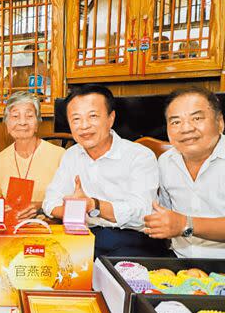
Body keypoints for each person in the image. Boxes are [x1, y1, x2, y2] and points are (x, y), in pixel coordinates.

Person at [42, 84, 168, 258]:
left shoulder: (139, 156)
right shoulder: (71, 155)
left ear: (111, 118)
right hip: (85, 236)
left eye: (92, 116)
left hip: (133, 239)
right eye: (76, 119)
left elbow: (143, 211)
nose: (84, 126)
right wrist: (72, 210)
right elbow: (50, 201)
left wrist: (94, 205)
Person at [144, 86, 225, 258]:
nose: (186, 128)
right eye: (175, 122)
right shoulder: (166, 162)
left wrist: (185, 224)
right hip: (180, 266)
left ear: (220, 123)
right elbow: (165, 215)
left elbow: (179, 223)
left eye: (196, 118)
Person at [0, 92, 65, 220]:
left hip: (50, 231)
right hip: (12, 230)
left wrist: (41, 206)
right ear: (6, 124)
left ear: (38, 121)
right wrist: (0, 211)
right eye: (15, 116)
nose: (22, 122)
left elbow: (72, 203)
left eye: (29, 116)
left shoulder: (60, 156)